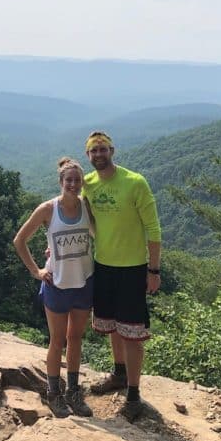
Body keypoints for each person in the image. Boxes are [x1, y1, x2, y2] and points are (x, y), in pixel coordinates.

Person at [82, 131, 161, 422]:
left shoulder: (135, 182)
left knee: (132, 333)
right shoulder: (87, 184)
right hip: (103, 265)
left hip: (132, 269)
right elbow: (78, 216)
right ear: (87, 156)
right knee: (114, 326)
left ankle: (134, 395)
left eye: (103, 149)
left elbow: (154, 229)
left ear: (112, 151)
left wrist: (153, 269)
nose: (99, 154)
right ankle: (118, 373)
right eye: (93, 151)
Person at [13, 157, 95, 418]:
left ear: (82, 183)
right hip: (57, 284)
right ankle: (53, 394)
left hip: (84, 281)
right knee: (57, 341)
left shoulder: (87, 207)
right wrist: (36, 270)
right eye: (68, 180)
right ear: (60, 182)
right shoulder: (48, 209)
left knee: (75, 339)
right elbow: (20, 240)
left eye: (77, 180)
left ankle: (73, 391)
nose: (73, 184)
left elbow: (100, 235)